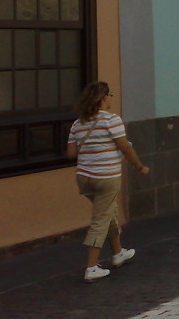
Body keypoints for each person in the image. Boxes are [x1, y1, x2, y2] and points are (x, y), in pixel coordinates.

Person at [66, 81, 150, 282]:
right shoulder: (112, 120)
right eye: (110, 95)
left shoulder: (78, 123)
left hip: (84, 178)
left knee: (108, 211)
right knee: (100, 219)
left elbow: (70, 153)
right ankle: (91, 267)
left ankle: (118, 253)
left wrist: (91, 148)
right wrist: (139, 166)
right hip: (106, 177)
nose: (111, 98)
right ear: (103, 98)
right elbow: (125, 148)